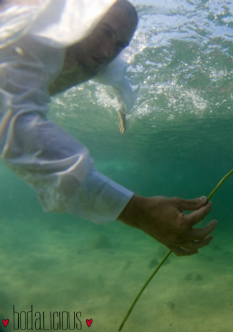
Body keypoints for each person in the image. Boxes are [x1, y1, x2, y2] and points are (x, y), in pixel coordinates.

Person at [0, 0, 216, 256]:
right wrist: (138, 212)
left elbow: (120, 83)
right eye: (105, 31)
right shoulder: (36, 37)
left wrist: (122, 110)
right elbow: (16, 129)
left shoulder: (105, 62)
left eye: (119, 44)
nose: (106, 51)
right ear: (83, 18)